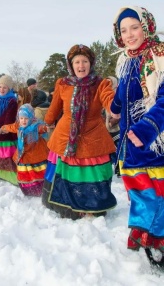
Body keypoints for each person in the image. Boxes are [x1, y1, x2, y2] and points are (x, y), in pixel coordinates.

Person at [110, 6, 164, 266]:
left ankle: (157, 239)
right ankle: (144, 232)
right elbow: (123, 93)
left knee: (157, 194)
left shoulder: (159, 57)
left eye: (134, 27)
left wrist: (147, 128)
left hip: (155, 141)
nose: (129, 34)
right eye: (124, 30)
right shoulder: (126, 60)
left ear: (146, 26)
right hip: (130, 143)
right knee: (140, 192)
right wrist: (114, 110)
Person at [42, 44, 117, 220]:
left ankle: (91, 207)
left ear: (90, 64)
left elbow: (108, 98)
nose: (81, 65)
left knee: (91, 172)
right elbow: (54, 109)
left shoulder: (100, 83)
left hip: (92, 136)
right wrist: (47, 121)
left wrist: (115, 107)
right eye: (77, 62)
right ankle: (66, 206)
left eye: (84, 61)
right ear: (71, 64)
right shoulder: (63, 84)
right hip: (64, 137)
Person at [0, 104, 49, 196]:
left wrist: (46, 128)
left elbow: (42, 128)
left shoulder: (35, 126)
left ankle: (41, 188)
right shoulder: (19, 126)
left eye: (26, 118)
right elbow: (12, 127)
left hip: (36, 154)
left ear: (31, 118)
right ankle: (29, 189)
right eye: (21, 118)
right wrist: (4, 127)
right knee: (26, 172)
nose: (24, 121)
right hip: (24, 153)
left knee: (38, 171)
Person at [104, 76, 120, 177]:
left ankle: (119, 168)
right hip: (106, 128)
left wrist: (112, 122)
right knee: (109, 150)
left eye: (110, 83)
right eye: (106, 83)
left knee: (119, 148)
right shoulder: (104, 95)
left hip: (117, 128)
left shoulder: (117, 95)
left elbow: (120, 110)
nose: (108, 85)